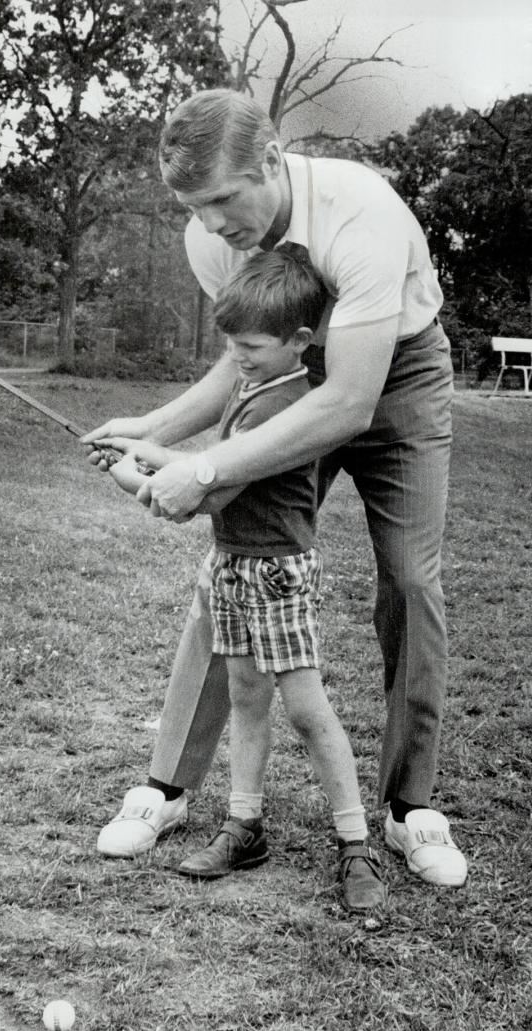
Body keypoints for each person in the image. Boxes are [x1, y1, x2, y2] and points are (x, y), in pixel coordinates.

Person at [85, 88, 467, 891]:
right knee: (234, 563)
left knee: (409, 578)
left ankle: (408, 808)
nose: (214, 222)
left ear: (271, 159)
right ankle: (167, 787)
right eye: (195, 205)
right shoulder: (212, 237)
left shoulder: (362, 213)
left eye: (224, 198)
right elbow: (246, 357)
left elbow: (350, 400)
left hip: (398, 375)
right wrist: (155, 433)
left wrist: (210, 468)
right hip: (297, 374)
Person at [101, 247, 385, 911]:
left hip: (275, 577)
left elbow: (204, 495)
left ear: (300, 342)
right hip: (232, 569)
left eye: (252, 345)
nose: (239, 355)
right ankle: (244, 827)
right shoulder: (253, 389)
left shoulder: (283, 405)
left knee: (309, 712)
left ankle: (356, 844)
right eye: (230, 343)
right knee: (247, 701)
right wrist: (145, 452)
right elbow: (205, 468)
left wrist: (127, 471)